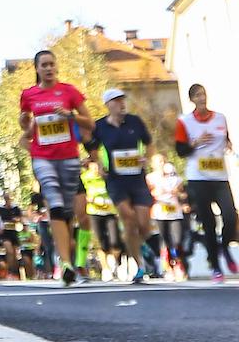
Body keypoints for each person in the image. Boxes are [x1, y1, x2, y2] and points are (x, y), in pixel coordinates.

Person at [19, 49, 94, 287]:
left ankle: (70, 257)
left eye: (52, 64)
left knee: (69, 213)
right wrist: (28, 129)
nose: (49, 68)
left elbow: (90, 122)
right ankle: (66, 264)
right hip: (44, 159)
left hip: (69, 158)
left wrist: (70, 115)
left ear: (56, 66)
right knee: (56, 204)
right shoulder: (29, 95)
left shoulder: (69, 92)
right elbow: (24, 124)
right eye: (44, 65)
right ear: (37, 69)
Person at [86, 88, 155, 284]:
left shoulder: (135, 121)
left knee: (144, 225)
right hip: (115, 180)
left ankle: (137, 248)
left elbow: (149, 143)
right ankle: (138, 265)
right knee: (128, 218)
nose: (121, 104)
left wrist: (147, 158)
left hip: (137, 178)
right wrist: (98, 164)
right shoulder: (100, 126)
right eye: (116, 101)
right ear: (108, 105)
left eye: (123, 100)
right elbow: (91, 147)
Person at [174, 83, 237, 283]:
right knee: (208, 222)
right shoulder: (184, 121)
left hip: (219, 176)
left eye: (204, 95)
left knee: (230, 215)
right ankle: (216, 267)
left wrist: (228, 145)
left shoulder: (220, 118)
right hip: (198, 178)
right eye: (198, 96)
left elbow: (225, 139)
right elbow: (180, 151)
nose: (202, 99)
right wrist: (196, 142)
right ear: (192, 100)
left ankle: (224, 245)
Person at [148, 153, 188, 280]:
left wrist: (179, 194)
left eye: (162, 161)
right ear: (152, 164)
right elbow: (146, 194)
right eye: (158, 161)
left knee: (177, 240)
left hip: (175, 212)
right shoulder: (150, 178)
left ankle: (178, 264)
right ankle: (168, 267)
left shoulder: (174, 177)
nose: (161, 163)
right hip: (160, 212)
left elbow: (183, 194)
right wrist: (155, 193)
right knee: (165, 241)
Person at [81, 159, 122, 280]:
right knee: (101, 241)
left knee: (115, 241)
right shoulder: (84, 178)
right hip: (94, 212)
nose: (96, 170)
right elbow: (80, 194)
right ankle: (106, 269)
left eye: (98, 167)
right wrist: (90, 199)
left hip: (110, 212)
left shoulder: (109, 178)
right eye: (93, 167)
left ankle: (115, 262)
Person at [0, 194, 23, 280]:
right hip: (4, 232)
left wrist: (17, 220)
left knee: (14, 254)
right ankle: (10, 271)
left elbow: (20, 218)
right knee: (9, 251)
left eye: (8, 198)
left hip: (13, 231)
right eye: (5, 198)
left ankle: (15, 272)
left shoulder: (15, 208)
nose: (7, 200)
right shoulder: (0, 209)